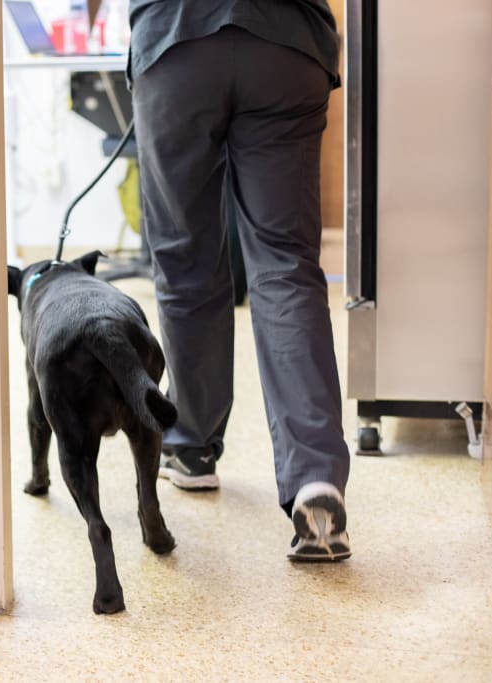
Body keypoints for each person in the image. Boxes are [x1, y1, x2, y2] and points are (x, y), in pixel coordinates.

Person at [127, 0, 352, 561]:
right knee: (285, 267)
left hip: (176, 43)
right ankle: (314, 477)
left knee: (185, 261)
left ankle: (193, 447)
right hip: (284, 42)